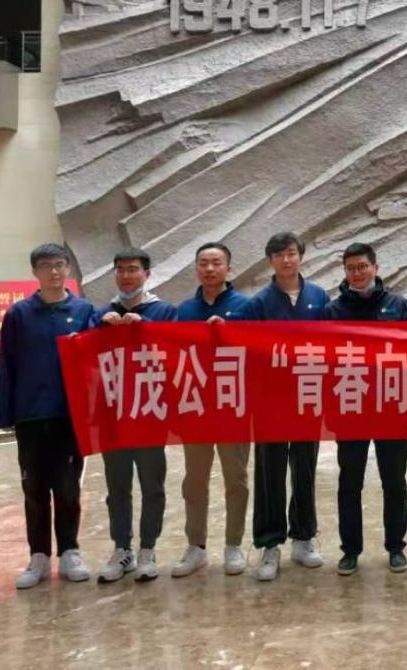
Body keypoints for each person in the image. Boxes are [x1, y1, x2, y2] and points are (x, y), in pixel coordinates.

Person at [0, 243, 96, 590]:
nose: (54, 272)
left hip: (70, 416)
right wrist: (7, 413)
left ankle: (70, 551)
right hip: (31, 416)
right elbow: (7, 365)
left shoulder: (84, 311)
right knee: (34, 488)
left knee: (68, 487)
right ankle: (38, 556)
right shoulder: (19, 314)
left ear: (68, 269)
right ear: (35, 272)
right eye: (46, 266)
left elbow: (97, 359)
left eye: (60, 265)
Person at [319, 242, 407, 576]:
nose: (357, 273)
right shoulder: (332, 311)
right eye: (350, 268)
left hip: (390, 407)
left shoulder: (398, 305)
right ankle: (350, 550)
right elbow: (324, 361)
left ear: (375, 267)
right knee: (350, 483)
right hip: (350, 408)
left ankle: (396, 547)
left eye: (362, 266)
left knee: (394, 481)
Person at [89, 248, 177, 583]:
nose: (127, 276)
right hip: (113, 415)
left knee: (152, 485)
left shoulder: (164, 311)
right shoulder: (101, 314)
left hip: (150, 412)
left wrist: (146, 327)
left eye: (134, 269)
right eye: (121, 270)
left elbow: (176, 351)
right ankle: (121, 549)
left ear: (147, 274)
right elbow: (83, 357)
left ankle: (148, 550)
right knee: (117, 487)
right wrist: (100, 329)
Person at [246, 232, 329, 581]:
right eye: (279, 254)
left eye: (291, 253)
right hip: (272, 400)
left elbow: (331, 344)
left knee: (305, 468)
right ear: (270, 261)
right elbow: (247, 349)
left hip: (308, 395)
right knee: (270, 471)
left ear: (301, 256)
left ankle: (304, 537)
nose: (286, 259)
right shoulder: (259, 302)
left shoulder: (318, 296)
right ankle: (269, 544)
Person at [170, 242, 255, 579]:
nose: (209, 269)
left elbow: (257, 353)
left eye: (216, 263)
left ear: (228, 268)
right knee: (195, 480)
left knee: (236, 478)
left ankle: (233, 544)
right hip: (196, 407)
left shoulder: (246, 307)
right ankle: (196, 546)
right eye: (203, 263)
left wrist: (231, 334)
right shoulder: (184, 310)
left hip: (233, 407)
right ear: (196, 268)